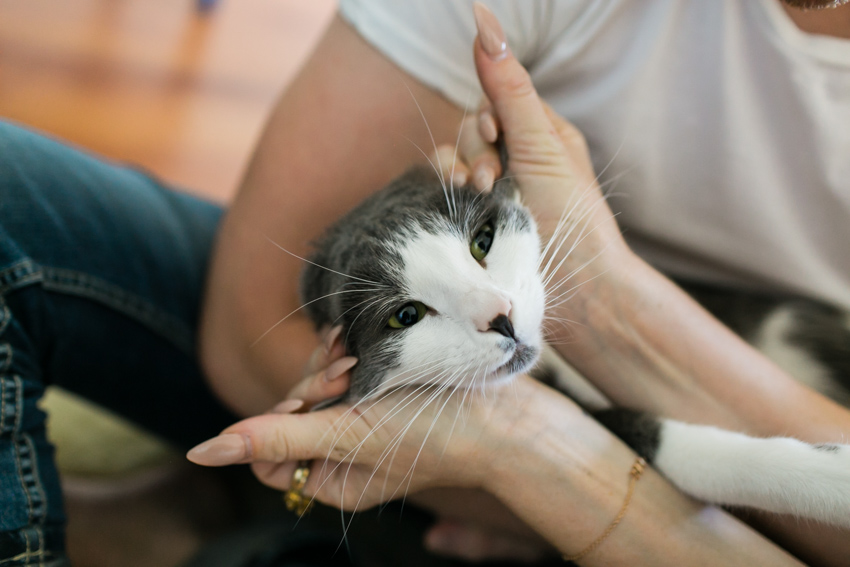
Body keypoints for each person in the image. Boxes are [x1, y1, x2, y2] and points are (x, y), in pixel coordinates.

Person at [1, 0, 847, 565]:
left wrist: (555, 456)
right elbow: (255, 319)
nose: (494, 309)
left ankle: (199, 516)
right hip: (442, 424)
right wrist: (498, 454)